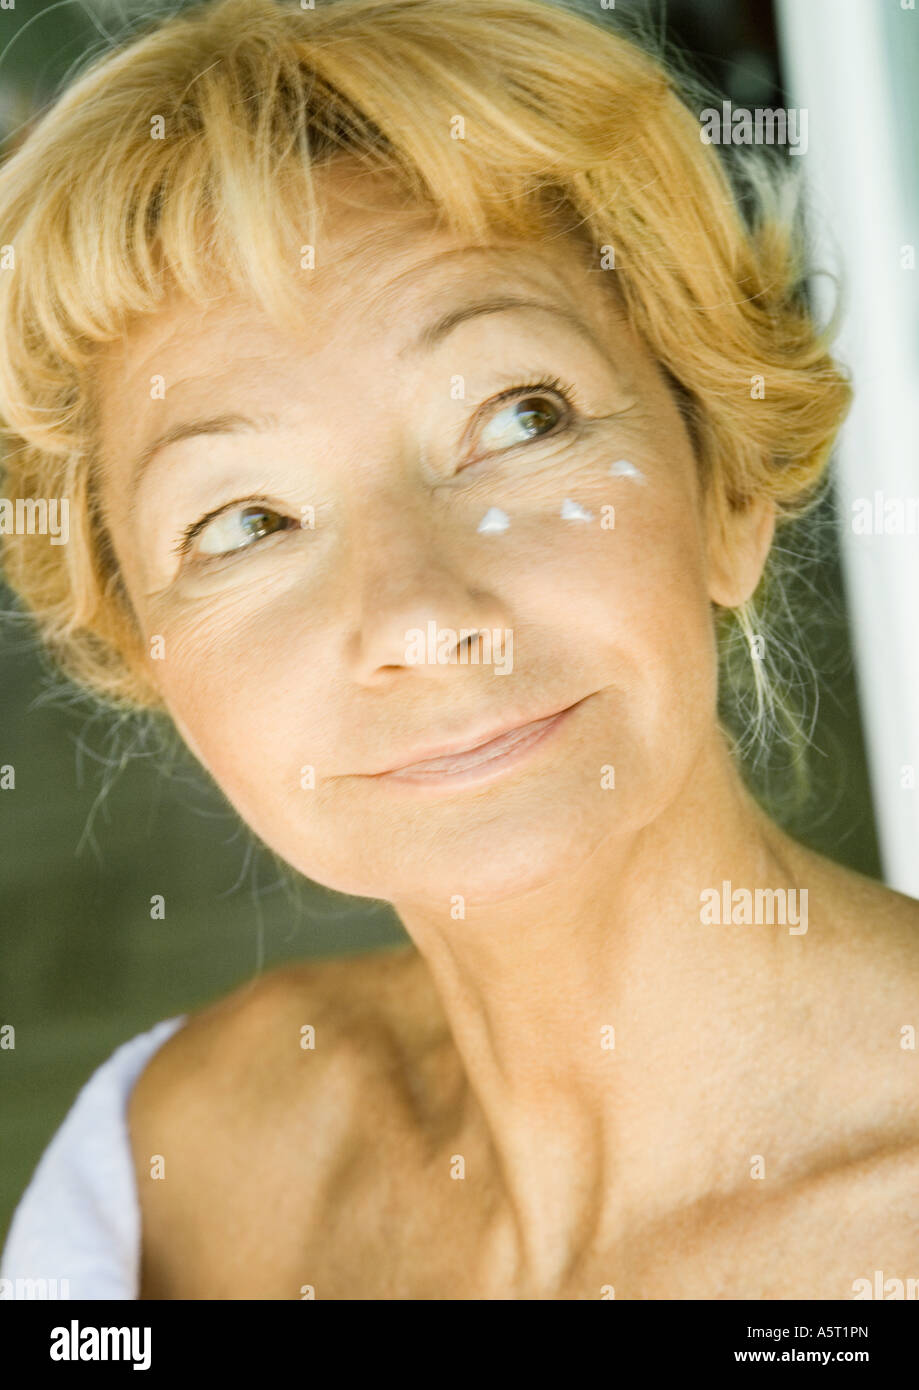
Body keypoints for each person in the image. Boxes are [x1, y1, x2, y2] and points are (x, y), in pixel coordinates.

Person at [2, 0, 918, 1301]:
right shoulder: (169, 1162)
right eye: (247, 520)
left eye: (516, 418)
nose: (420, 613)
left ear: (725, 482)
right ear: (148, 653)